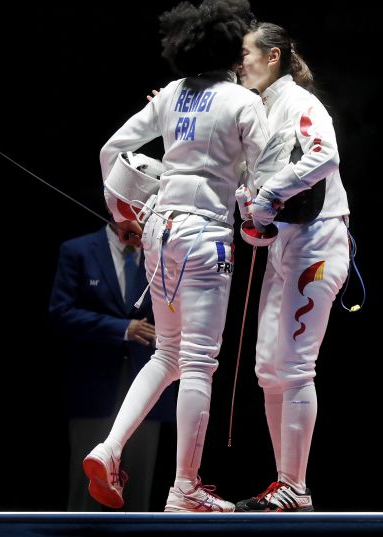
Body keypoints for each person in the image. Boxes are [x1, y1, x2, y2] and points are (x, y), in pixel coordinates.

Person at [83, 0, 269, 513]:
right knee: (197, 363)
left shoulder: (171, 94)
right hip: (206, 238)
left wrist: (121, 214)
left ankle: (109, 448)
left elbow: (109, 151)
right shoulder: (242, 101)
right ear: (231, 48)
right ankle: (185, 487)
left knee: (167, 354)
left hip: (158, 233)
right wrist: (258, 215)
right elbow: (264, 178)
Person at [234, 22, 350, 512]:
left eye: (246, 53)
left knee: (296, 366)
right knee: (268, 368)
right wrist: (253, 213)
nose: (240, 63)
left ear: (273, 56)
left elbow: (325, 155)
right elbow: (257, 186)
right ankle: (286, 484)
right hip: (285, 246)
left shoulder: (301, 102)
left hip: (317, 244)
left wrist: (269, 195)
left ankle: (295, 488)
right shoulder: (258, 111)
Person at [49, 222, 176, 511]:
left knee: (138, 492)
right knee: (86, 489)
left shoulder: (163, 254)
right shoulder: (78, 250)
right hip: (94, 388)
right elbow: (61, 313)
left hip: (149, 386)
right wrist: (122, 328)